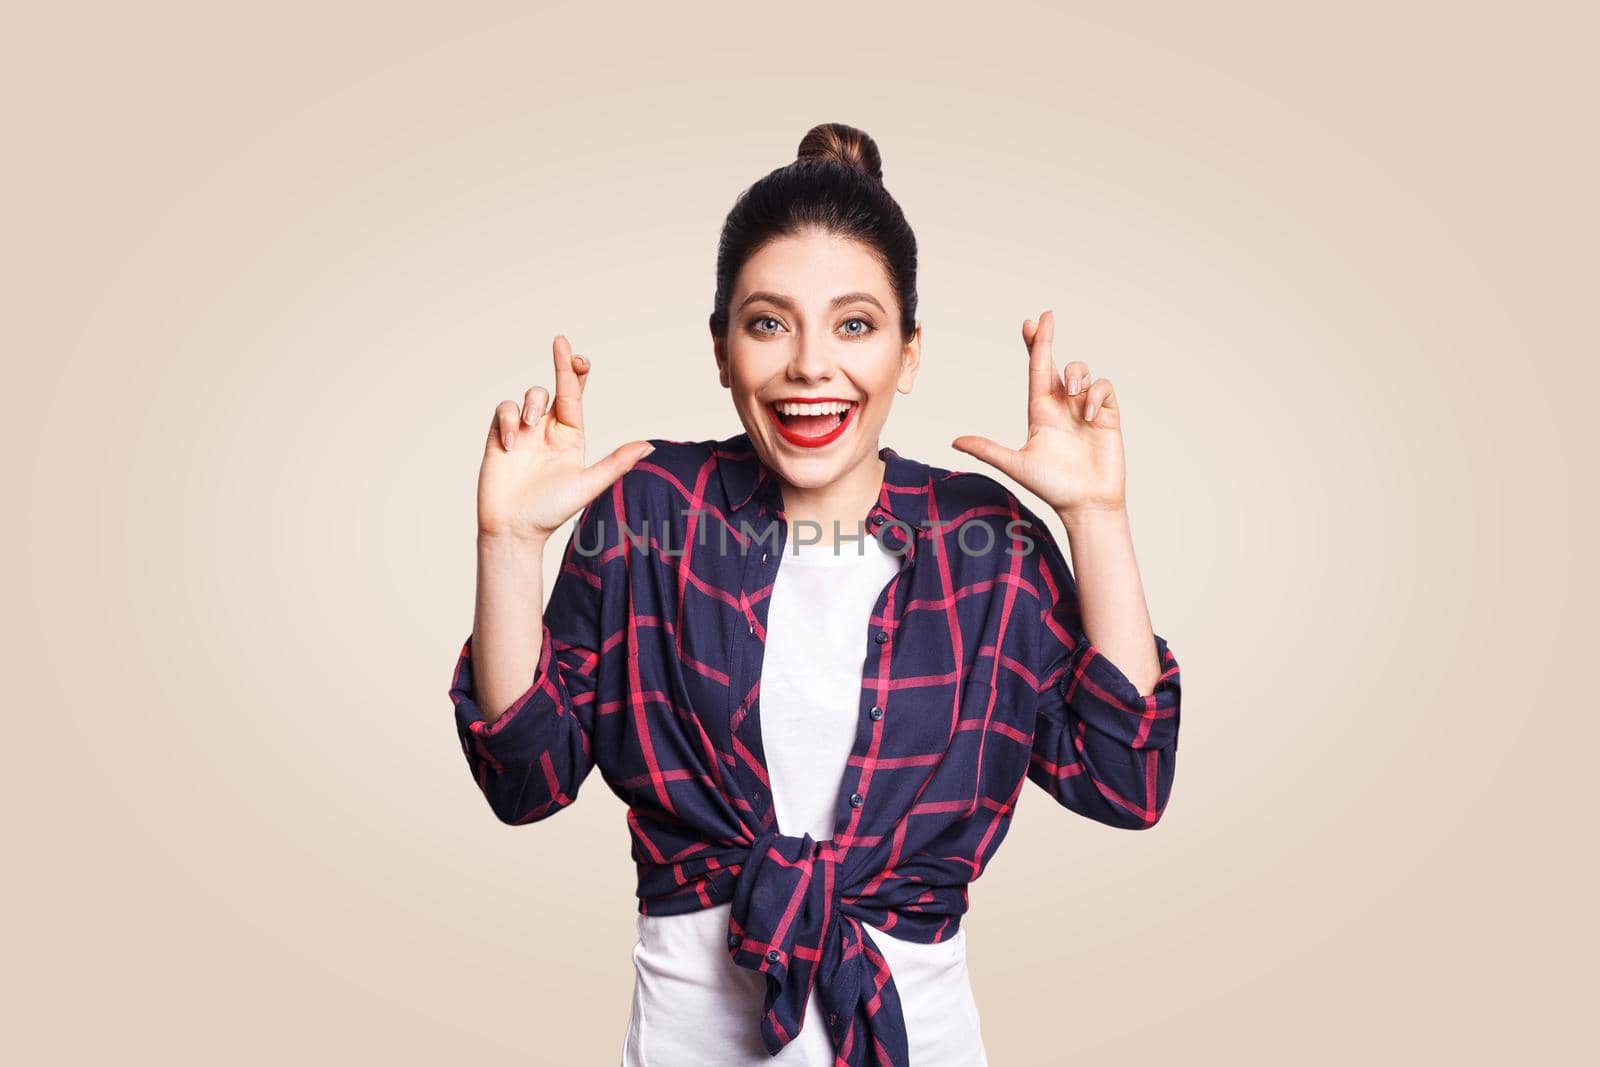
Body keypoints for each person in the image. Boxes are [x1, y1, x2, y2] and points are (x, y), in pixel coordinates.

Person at [450, 122, 1183, 1067]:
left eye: (854, 324)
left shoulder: (985, 543)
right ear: (722, 351)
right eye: (768, 322)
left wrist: (1097, 515)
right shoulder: (648, 513)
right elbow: (524, 780)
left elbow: (1127, 781)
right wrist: (507, 541)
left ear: (907, 354)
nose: (808, 364)